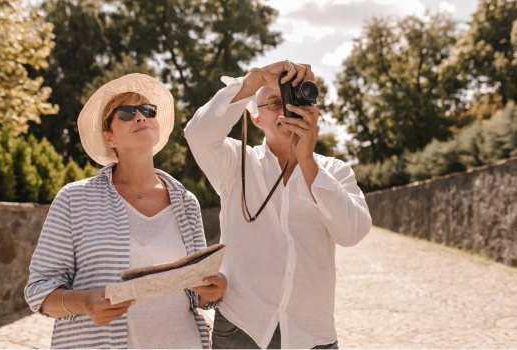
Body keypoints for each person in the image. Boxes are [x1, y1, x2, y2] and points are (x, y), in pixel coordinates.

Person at [24, 73, 227, 350]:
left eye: (147, 110)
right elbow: (39, 291)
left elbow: (197, 295)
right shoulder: (74, 198)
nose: (141, 117)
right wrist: (85, 302)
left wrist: (210, 292)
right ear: (108, 136)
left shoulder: (185, 201)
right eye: (126, 112)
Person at [184, 61, 372, 350]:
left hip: (312, 335)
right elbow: (197, 134)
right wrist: (253, 81)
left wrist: (308, 162)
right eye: (273, 102)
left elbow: (353, 233)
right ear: (256, 118)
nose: (285, 109)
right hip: (240, 328)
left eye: (292, 100)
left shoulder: (335, 171)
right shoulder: (236, 162)